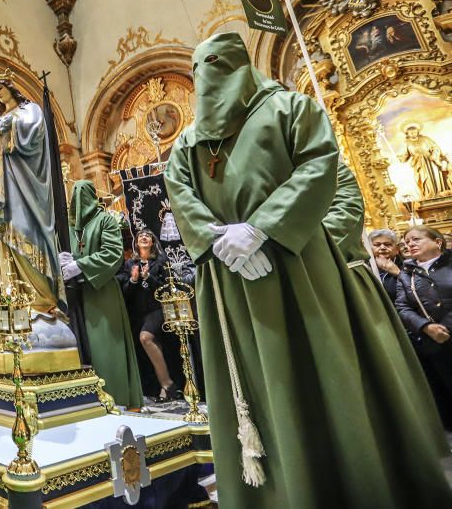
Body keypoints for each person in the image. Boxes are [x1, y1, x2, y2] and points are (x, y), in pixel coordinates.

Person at [164, 32, 451, 508]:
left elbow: (320, 165)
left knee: (319, 371)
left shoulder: (292, 110)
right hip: (228, 276)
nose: (205, 77)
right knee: (256, 384)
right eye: (197, 69)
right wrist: (218, 240)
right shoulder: (188, 143)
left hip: (298, 266)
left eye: (215, 64)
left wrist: (262, 229)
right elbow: (180, 195)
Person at [0, 72, 64, 320]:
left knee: (26, 231)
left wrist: (2, 126)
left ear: (10, 89)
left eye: (1, 89)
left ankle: (40, 300)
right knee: (5, 239)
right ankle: (12, 298)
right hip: (1, 186)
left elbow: (33, 133)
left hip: (24, 186)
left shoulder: (31, 110)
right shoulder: (0, 117)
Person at [61, 180, 143, 408]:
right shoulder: (68, 226)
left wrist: (80, 265)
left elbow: (113, 253)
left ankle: (117, 397)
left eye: (83, 192)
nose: (78, 198)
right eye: (74, 194)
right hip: (76, 296)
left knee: (107, 348)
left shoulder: (104, 219)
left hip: (102, 292)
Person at [396, 225, 452, 429]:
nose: (409, 244)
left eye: (416, 239)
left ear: (438, 242)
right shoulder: (407, 273)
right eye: (406, 241)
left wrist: (444, 328)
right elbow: (402, 307)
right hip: (433, 344)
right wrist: (427, 327)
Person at [117, 229, 176, 401]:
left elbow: (166, 288)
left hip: (157, 309)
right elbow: (126, 294)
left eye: (148, 236)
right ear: (136, 243)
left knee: (146, 338)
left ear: (152, 242)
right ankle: (162, 388)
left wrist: (148, 278)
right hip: (137, 314)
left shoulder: (161, 261)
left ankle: (167, 384)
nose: (144, 237)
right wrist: (134, 280)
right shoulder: (129, 264)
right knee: (149, 346)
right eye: (140, 236)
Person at [400, 122, 451, 198]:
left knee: (436, 176)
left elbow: (435, 147)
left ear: (418, 131)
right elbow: (404, 157)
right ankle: (430, 196)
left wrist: (434, 155)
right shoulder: (407, 144)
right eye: (411, 132)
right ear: (407, 133)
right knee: (426, 180)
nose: (413, 133)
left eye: (414, 131)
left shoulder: (425, 139)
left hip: (432, 161)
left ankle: (441, 194)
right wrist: (401, 158)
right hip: (420, 165)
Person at [369, 228, 403, 303]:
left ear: (397, 249)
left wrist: (398, 273)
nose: (382, 247)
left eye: (387, 244)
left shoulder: (408, 266)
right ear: (369, 249)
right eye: (377, 245)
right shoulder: (365, 267)